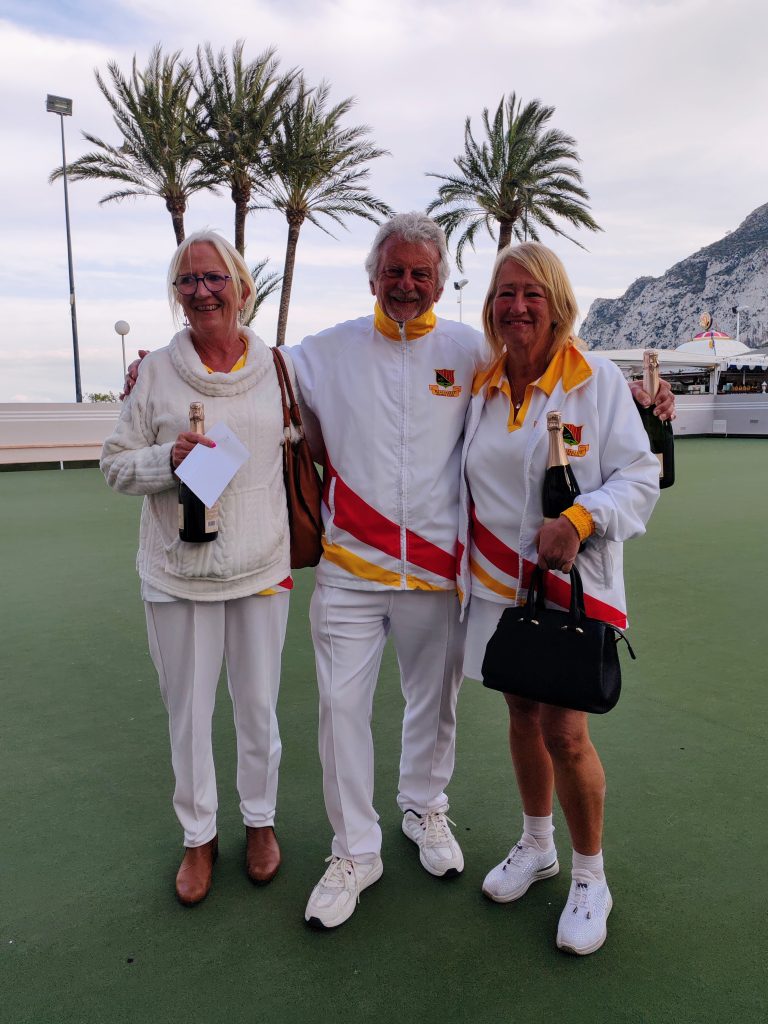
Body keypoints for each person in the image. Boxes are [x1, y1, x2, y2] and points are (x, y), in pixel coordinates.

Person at [122, 214, 675, 929]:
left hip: (442, 575)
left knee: (435, 706)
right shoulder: (324, 351)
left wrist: (645, 399)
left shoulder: (474, 352)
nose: (406, 285)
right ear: (373, 278)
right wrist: (167, 362)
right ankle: (354, 850)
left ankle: (425, 809)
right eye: (394, 272)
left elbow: (559, 372)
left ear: (441, 282)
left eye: (421, 273)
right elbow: (247, 365)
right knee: (341, 712)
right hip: (351, 569)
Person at [457, 242, 660, 955]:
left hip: (571, 589)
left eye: (532, 294)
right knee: (520, 710)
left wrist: (580, 518)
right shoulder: (481, 387)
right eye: (505, 293)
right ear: (491, 305)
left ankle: (590, 877)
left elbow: (640, 475)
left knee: (566, 732)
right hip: (498, 586)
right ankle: (537, 844)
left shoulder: (593, 381)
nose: (517, 307)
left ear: (557, 304)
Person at [102, 230, 292, 906]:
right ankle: (199, 834)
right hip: (176, 576)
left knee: (259, 708)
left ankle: (260, 821)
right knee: (187, 714)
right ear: (177, 294)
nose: (202, 291)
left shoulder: (280, 368)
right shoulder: (155, 372)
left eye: (214, 278)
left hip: (261, 569)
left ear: (242, 287)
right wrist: (167, 460)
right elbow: (114, 465)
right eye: (188, 280)